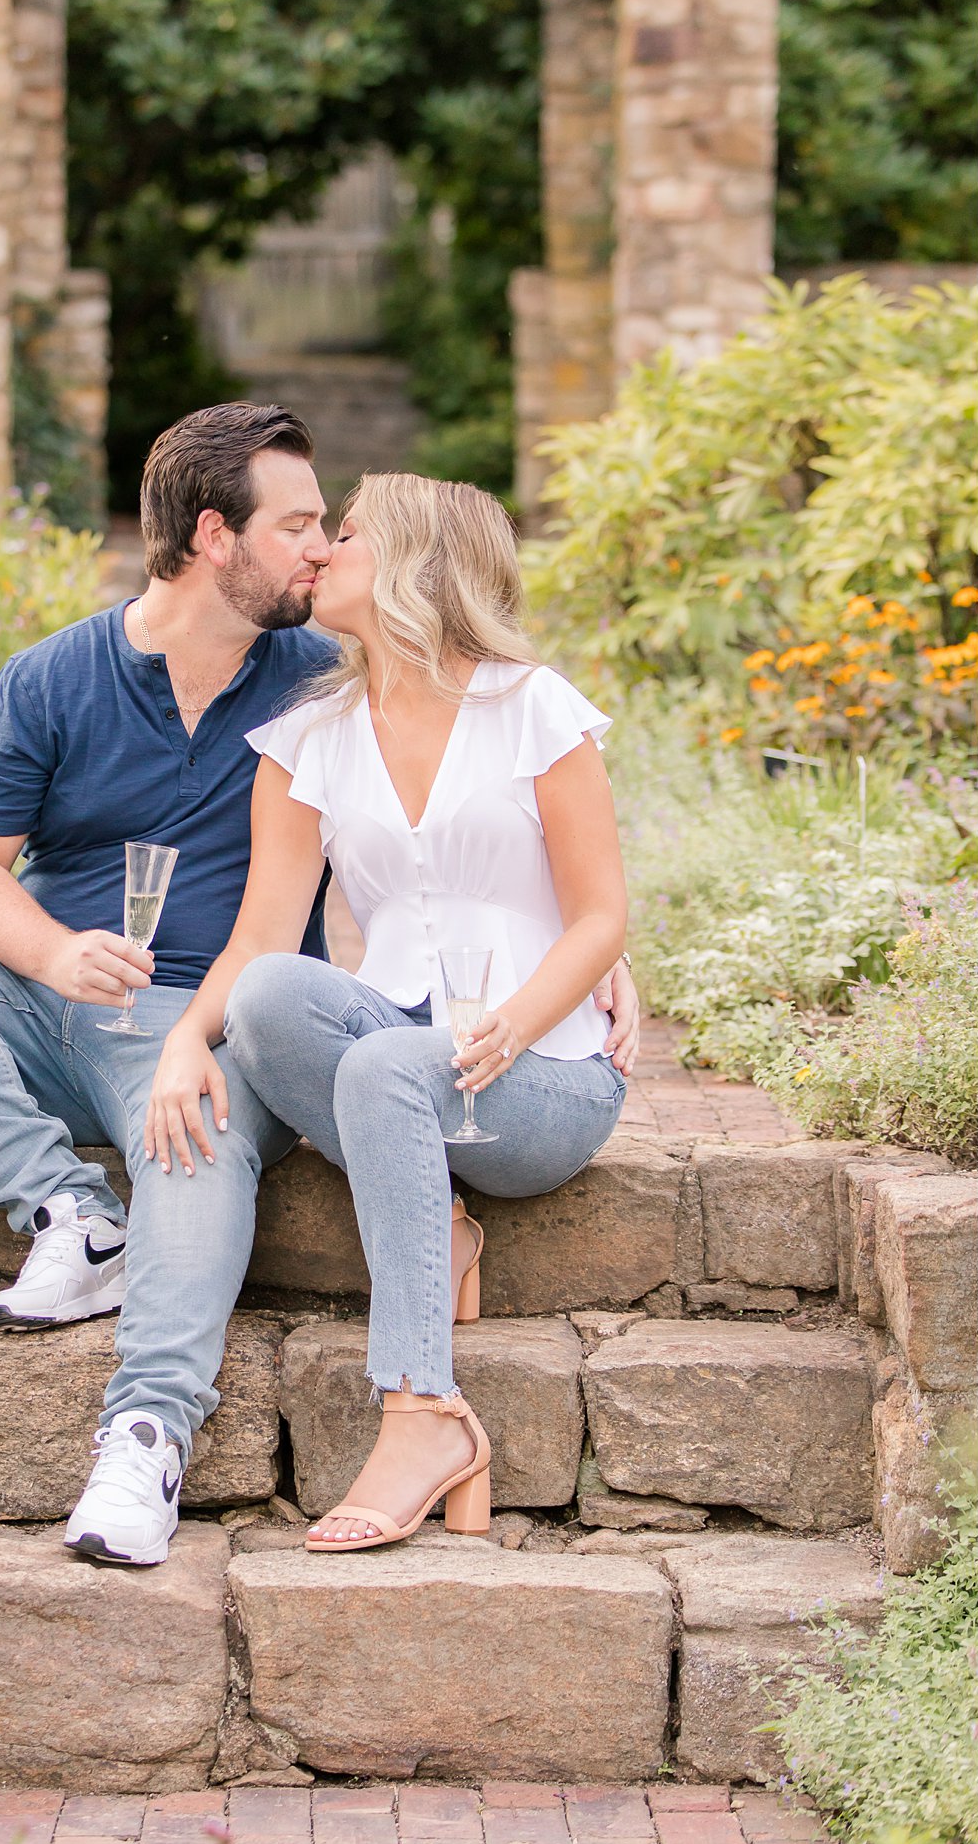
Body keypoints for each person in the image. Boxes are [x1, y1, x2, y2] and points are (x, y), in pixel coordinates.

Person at [0, 414, 640, 1569]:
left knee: (211, 1117)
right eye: (300, 526)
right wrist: (60, 957)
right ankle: (67, 1214)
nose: (316, 551)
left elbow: (539, 856)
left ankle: (147, 1434)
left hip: (309, 1029)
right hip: (81, 994)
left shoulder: (320, 670)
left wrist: (587, 960)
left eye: (334, 531)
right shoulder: (95, 683)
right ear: (213, 536)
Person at [144, 470, 630, 1553]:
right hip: (404, 1052)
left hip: (540, 1076)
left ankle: (421, 1412)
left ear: (413, 560)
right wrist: (186, 1034)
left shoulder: (529, 708)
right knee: (270, 1000)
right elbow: (262, 936)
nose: (316, 555)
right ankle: (437, 1229)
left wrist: (513, 1018)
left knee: (387, 1070)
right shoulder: (309, 736)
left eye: (343, 536)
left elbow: (600, 916)